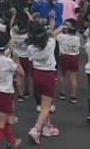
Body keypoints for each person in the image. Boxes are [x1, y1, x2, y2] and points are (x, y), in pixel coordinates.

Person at [0, 30, 25, 149]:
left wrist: (9, 51)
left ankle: (12, 142)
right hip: (5, 95)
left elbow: (1, 58)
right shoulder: (8, 62)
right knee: (0, 123)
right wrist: (18, 62)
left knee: (4, 119)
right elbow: (22, 73)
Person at [26, 17, 60, 145]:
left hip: (37, 75)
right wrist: (50, 23)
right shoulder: (50, 44)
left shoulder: (30, 48)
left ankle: (48, 126)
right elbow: (53, 33)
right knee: (46, 106)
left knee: (43, 101)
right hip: (48, 75)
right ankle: (36, 129)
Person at [56, 19, 81, 103]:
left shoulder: (62, 37)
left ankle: (62, 92)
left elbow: (54, 33)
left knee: (62, 75)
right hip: (74, 57)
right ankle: (73, 96)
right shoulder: (77, 38)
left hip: (64, 57)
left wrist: (61, 27)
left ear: (66, 28)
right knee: (73, 78)